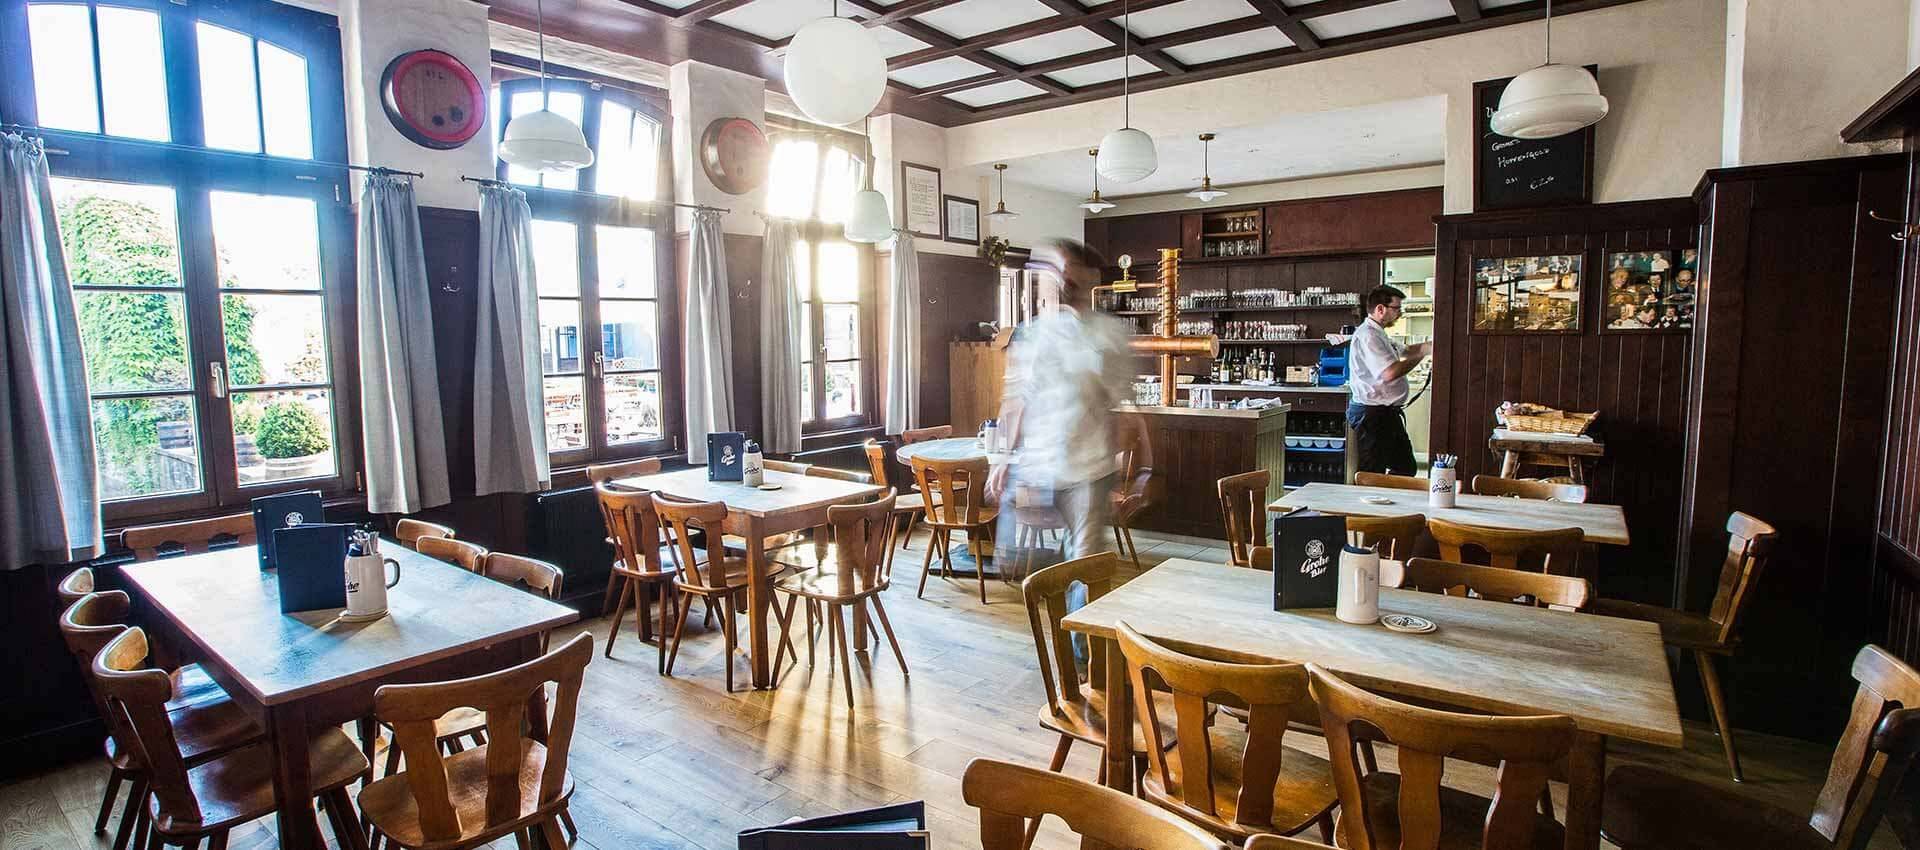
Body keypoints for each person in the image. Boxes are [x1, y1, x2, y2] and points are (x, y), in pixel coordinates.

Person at [985, 239, 1134, 569]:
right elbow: (1016, 402)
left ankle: (1078, 620)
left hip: (1089, 470)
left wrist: (1138, 468)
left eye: (1069, 274)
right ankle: (1055, 606)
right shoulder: (1031, 334)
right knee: (1015, 564)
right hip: (1038, 467)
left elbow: (1121, 410)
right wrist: (1004, 458)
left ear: (1088, 279)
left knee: (1085, 562)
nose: (1063, 281)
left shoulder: (1109, 334)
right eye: (1055, 272)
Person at [1346, 284, 1431, 476]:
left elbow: (1407, 350)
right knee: (1371, 473)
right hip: (1373, 414)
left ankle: (1386, 502)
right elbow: (1390, 373)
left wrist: (1431, 345)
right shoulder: (1368, 335)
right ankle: (1369, 504)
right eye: (1397, 308)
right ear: (1380, 309)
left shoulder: (1379, 333)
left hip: (1384, 413)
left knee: (1405, 467)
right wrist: (1422, 355)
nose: (1399, 313)